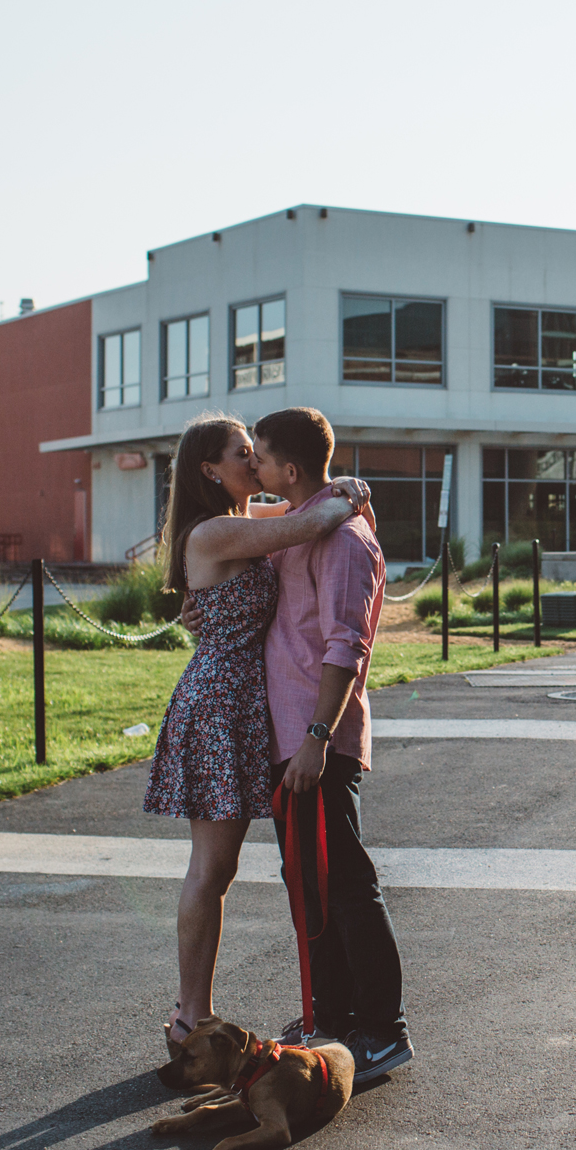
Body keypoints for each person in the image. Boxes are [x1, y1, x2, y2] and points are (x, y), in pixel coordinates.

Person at [143, 411, 372, 1054]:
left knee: (227, 867)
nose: (254, 461)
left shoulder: (244, 525)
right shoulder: (216, 531)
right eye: (242, 452)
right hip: (220, 707)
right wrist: (347, 492)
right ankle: (191, 1017)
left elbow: (299, 513)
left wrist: (336, 489)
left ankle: (202, 1012)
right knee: (211, 869)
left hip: (248, 704)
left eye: (256, 451)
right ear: (209, 470)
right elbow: (311, 520)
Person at [245, 406, 411, 1082]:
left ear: (288, 467)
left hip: (320, 741)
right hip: (292, 738)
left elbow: (348, 645)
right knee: (310, 884)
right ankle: (335, 1018)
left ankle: (383, 1030)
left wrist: (317, 737)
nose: (252, 466)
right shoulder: (300, 527)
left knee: (346, 886)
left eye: (259, 456)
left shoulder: (343, 541)